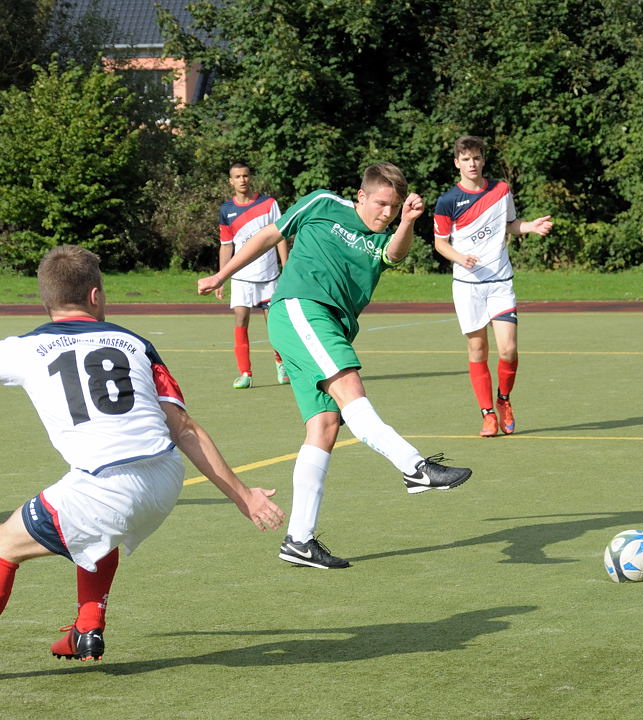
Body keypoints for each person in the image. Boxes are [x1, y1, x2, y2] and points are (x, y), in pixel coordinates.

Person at [0, 245, 284, 661]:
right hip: (165, 478)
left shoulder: (22, 348)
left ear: (47, 301)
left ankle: (87, 622)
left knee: (6, 545)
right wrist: (246, 496)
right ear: (96, 296)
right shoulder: (135, 343)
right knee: (98, 530)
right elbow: (185, 428)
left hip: (104, 485)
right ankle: (87, 627)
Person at [198, 162, 473, 570]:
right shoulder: (322, 202)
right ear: (362, 195)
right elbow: (269, 235)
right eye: (381, 204)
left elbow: (395, 254)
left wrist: (408, 222)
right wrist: (223, 273)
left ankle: (299, 540)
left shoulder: (383, 237)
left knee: (324, 427)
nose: (386, 213)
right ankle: (415, 467)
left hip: (329, 326)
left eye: (394, 208)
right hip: (301, 309)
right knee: (351, 391)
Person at [432, 136, 553, 437]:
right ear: (456, 163)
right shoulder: (447, 201)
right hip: (467, 285)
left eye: (476, 158)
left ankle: (504, 401)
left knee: (508, 349)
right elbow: (440, 243)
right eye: (466, 159)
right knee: (477, 347)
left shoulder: (501, 190)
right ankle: (487, 414)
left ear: (483, 160)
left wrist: (530, 227)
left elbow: (510, 224)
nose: (472, 163)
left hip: (500, 281)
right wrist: (460, 258)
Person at [217, 162, 290, 389]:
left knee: (275, 323)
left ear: (251, 178)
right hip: (240, 278)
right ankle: (245, 374)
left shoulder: (269, 204)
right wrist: (221, 277)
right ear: (231, 181)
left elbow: (280, 236)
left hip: (269, 276)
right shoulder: (226, 210)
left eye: (246, 175)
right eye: (237, 177)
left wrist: (286, 267)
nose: (242, 180)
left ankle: (282, 365)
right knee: (241, 321)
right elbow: (226, 246)